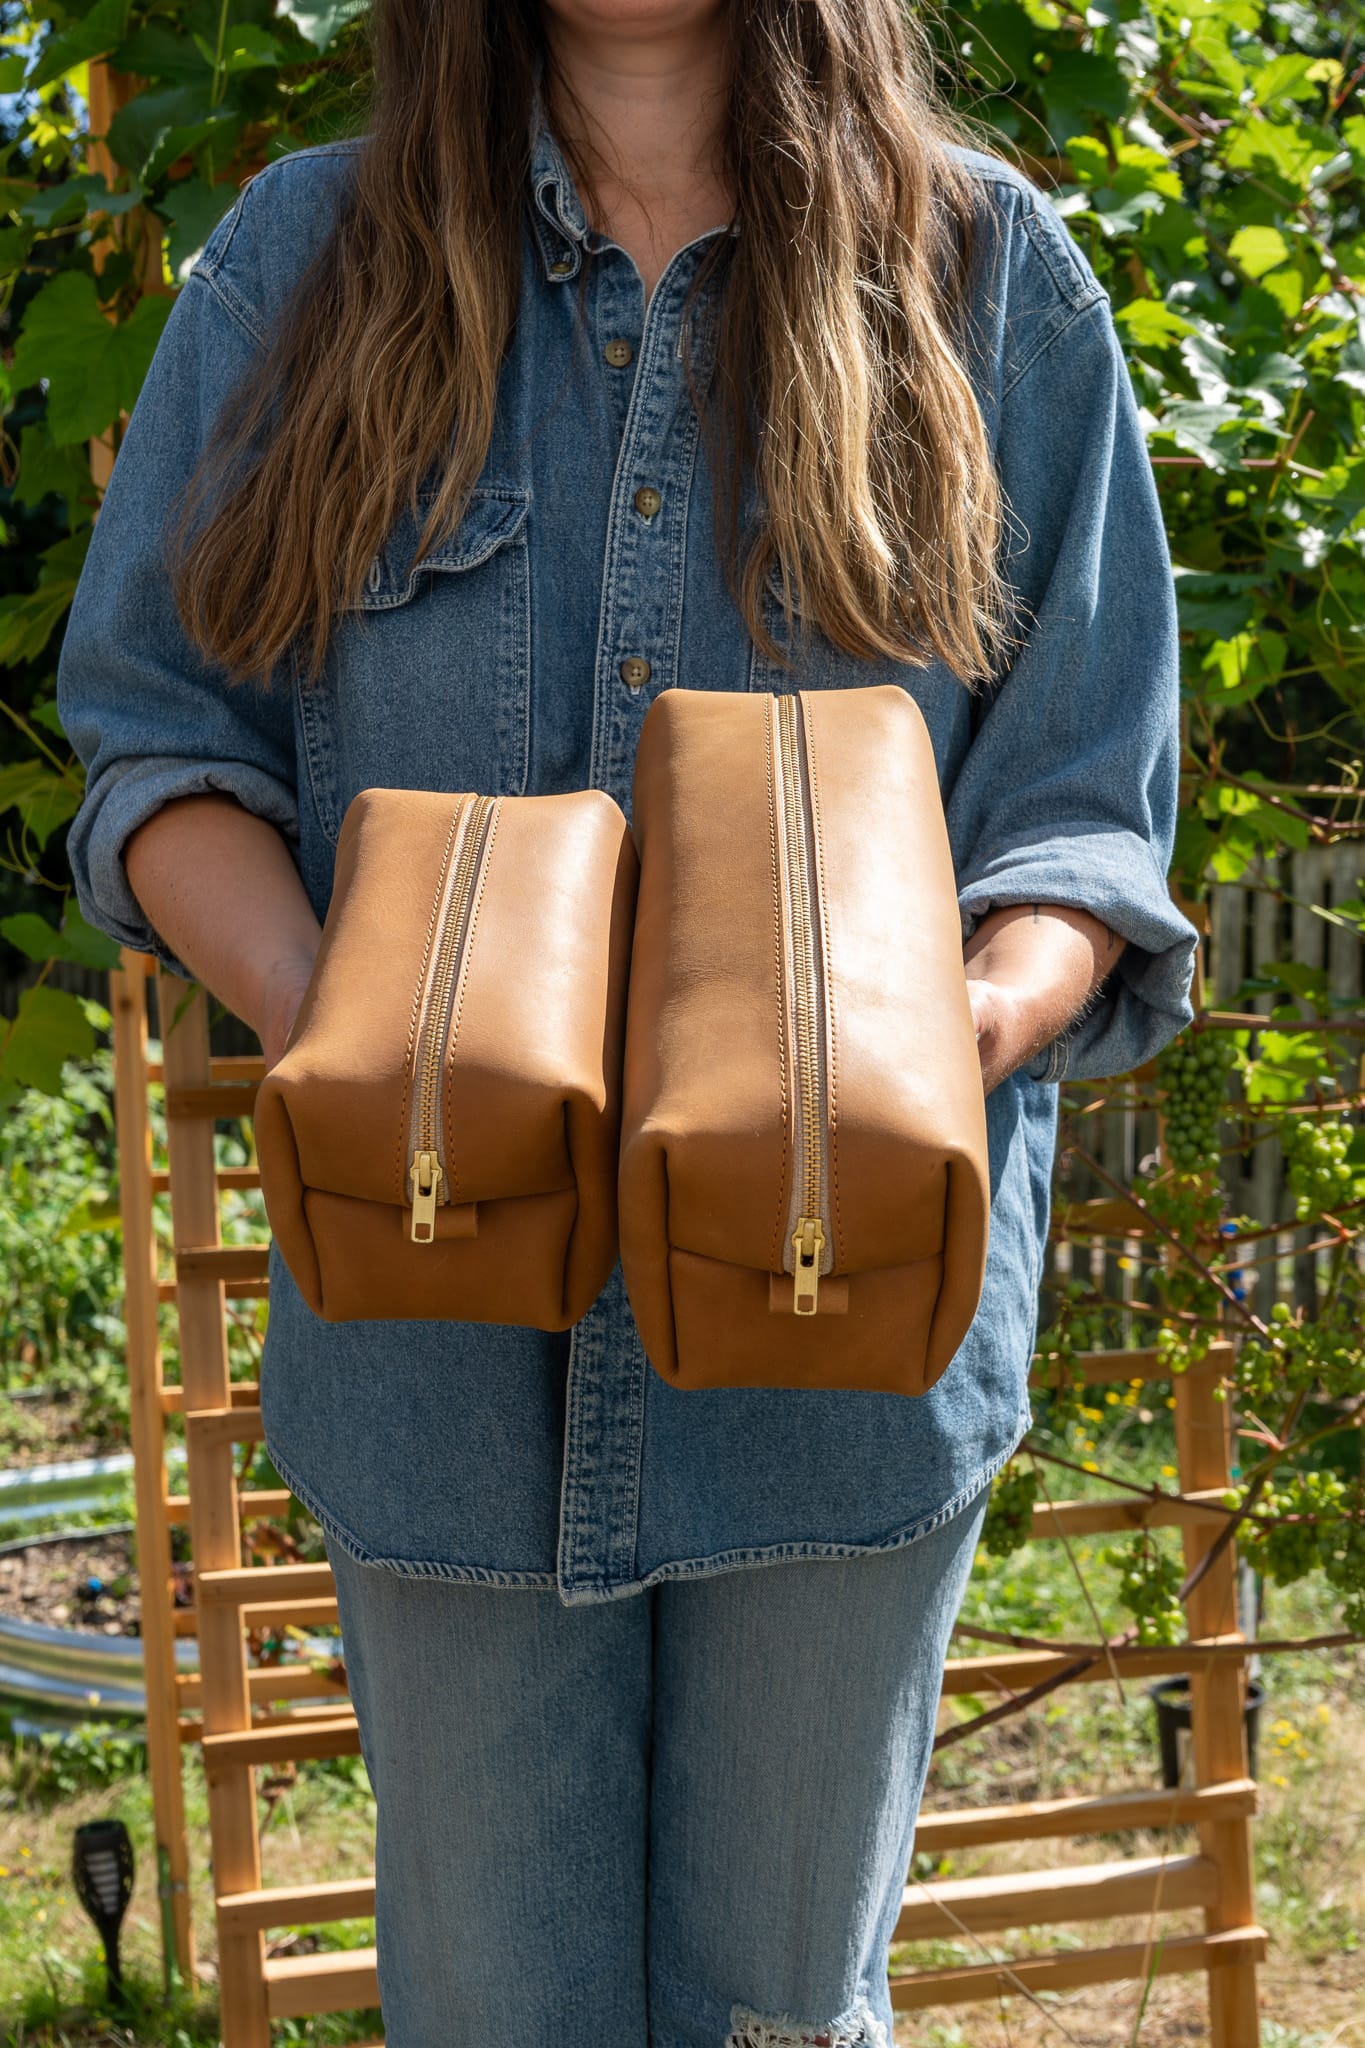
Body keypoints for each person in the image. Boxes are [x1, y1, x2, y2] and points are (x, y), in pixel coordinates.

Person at [57, 2, 1200, 2042]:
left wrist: (927, 1044)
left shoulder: (985, 280)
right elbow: (156, 741)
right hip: (436, 1358)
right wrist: (357, 1027)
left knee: (779, 2012)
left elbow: (1080, 816)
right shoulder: (296, 269)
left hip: (843, 1349)